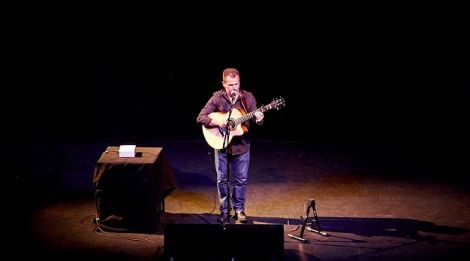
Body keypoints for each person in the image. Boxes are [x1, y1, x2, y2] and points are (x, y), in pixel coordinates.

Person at [196, 68, 264, 224]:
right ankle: (224, 211)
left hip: (242, 146)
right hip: (222, 146)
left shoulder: (248, 97)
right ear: (223, 84)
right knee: (222, 180)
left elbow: (257, 120)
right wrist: (219, 122)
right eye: (231, 85)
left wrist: (259, 118)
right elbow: (201, 118)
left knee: (241, 180)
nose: (234, 88)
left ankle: (239, 210)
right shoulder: (216, 98)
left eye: (237, 84)